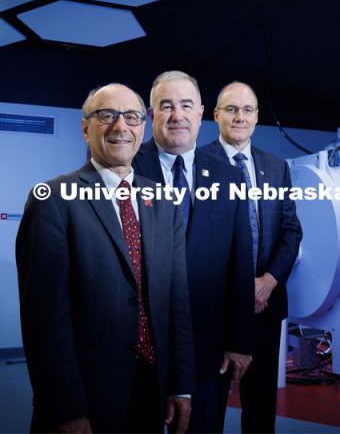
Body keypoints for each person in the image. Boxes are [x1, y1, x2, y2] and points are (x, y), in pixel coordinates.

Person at [16, 83, 195, 433]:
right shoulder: (52, 200)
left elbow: (177, 301)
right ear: (86, 128)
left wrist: (181, 384)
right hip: (84, 399)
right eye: (106, 115)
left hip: (151, 389)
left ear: (142, 128)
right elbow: (44, 319)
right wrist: (65, 408)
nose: (120, 126)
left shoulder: (163, 201)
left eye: (131, 116)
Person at [132, 71, 255, 433]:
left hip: (208, 349)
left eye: (186, 105)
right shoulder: (125, 170)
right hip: (139, 348)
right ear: (152, 115)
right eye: (166, 106)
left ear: (201, 113)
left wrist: (240, 341)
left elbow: (240, 262)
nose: (177, 115)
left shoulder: (230, 178)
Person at [200, 81, 302, 433]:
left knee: (261, 409)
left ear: (257, 117)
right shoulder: (198, 164)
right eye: (231, 109)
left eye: (247, 110)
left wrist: (268, 281)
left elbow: (292, 231)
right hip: (216, 311)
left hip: (265, 305)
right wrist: (239, 289)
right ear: (216, 116)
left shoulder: (277, 168)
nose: (239, 116)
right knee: (208, 407)